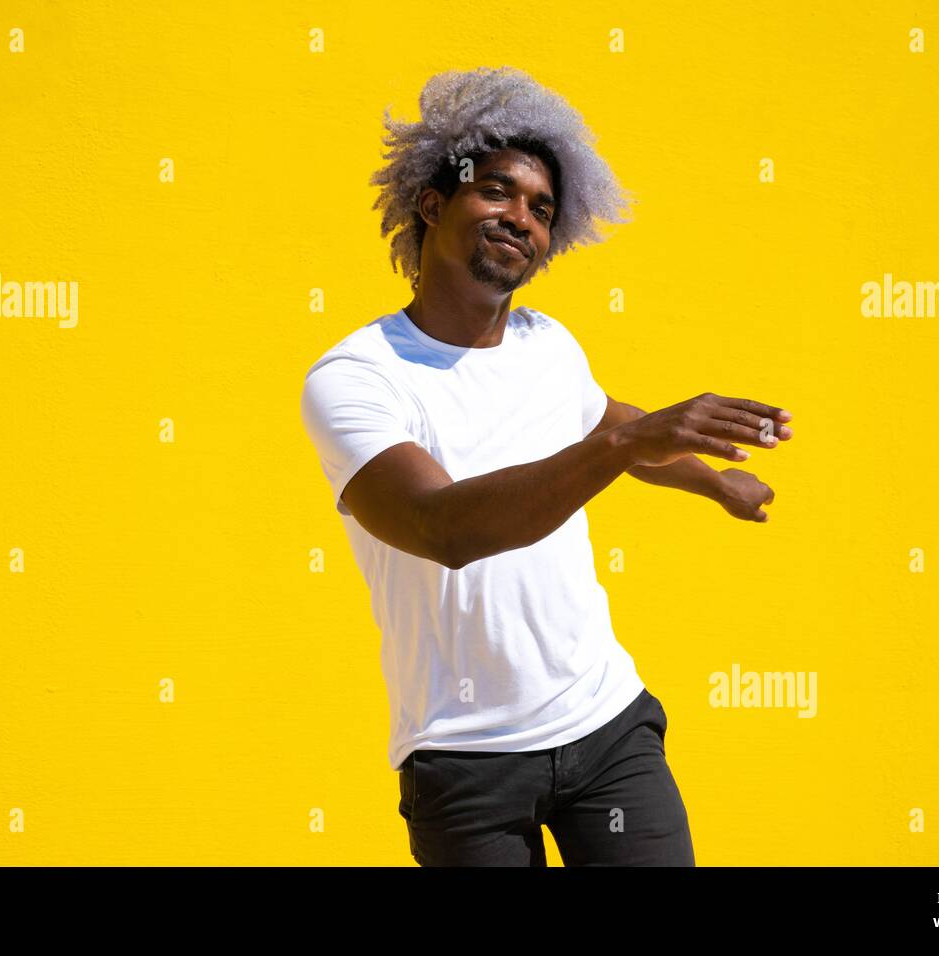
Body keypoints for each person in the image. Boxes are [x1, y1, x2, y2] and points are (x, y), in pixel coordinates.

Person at [300, 66, 793, 866]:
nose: (520, 218)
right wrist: (622, 448)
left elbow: (610, 425)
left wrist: (714, 480)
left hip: (606, 727)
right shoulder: (357, 378)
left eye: (542, 210)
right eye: (497, 191)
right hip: (463, 758)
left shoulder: (548, 344)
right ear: (432, 201)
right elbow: (443, 527)